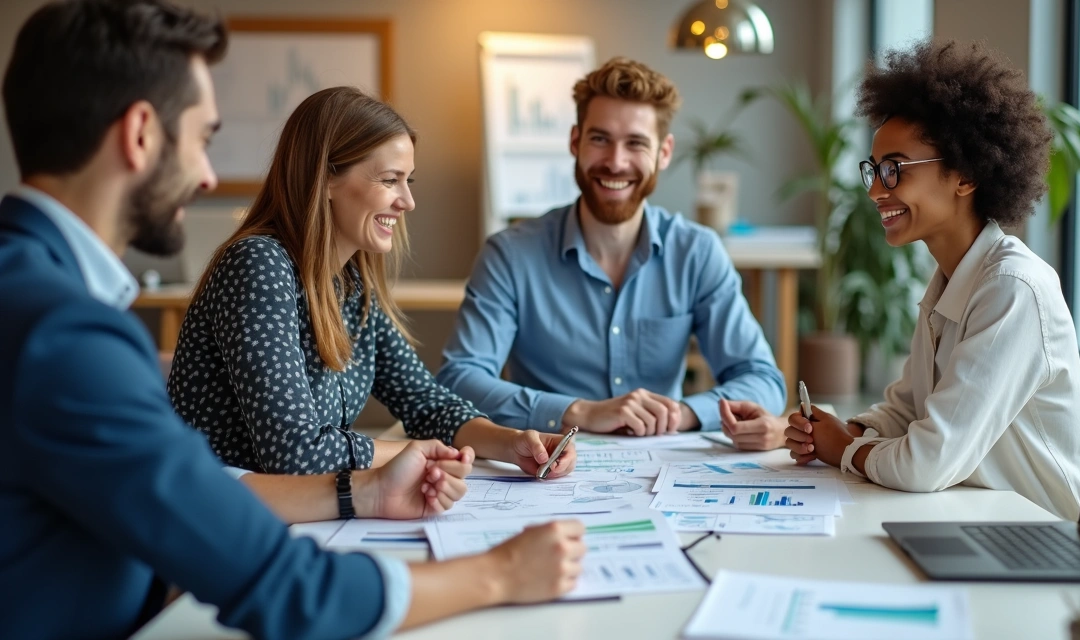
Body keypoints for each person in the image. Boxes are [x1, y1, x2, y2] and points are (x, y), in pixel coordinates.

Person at [0, 2, 583, 639]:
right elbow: (279, 579)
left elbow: (417, 399)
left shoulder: (38, 295)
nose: (208, 175)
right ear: (141, 134)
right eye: (202, 139)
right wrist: (497, 574)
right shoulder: (68, 332)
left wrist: (487, 447)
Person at [167, 86, 577, 479]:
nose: (408, 201)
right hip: (218, 520)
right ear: (325, 178)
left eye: (408, 180)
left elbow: (425, 404)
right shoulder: (258, 265)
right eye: (389, 180)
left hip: (290, 516)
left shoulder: (350, 283)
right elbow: (294, 453)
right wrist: (416, 453)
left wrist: (515, 444)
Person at [785, 40, 1080, 520]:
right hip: (985, 521)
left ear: (965, 175)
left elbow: (926, 463)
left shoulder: (1012, 288)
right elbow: (908, 410)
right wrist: (844, 429)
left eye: (894, 171)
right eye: (874, 169)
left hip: (1054, 537)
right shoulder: (951, 281)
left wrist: (843, 450)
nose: (874, 189)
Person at [436, 57, 787, 450]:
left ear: (664, 152)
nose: (616, 162)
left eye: (636, 142)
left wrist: (681, 413)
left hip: (664, 468)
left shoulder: (696, 252)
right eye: (600, 138)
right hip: (544, 466)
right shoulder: (510, 254)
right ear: (575, 142)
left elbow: (763, 379)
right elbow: (459, 379)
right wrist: (579, 411)